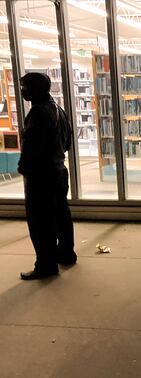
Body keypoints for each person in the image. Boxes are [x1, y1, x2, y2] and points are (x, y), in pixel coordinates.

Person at [18, 72, 76, 280]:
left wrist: (23, 169)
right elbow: (68, 141)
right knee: (61, 214)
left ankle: (46, 264)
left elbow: (32, 147)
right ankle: (66, 253)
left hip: (41, 175)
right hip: (59, 171)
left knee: (40, 221)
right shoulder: (58, 110)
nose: (22, 91)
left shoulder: (38, 113)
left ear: (35, 89)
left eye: (24, 87)